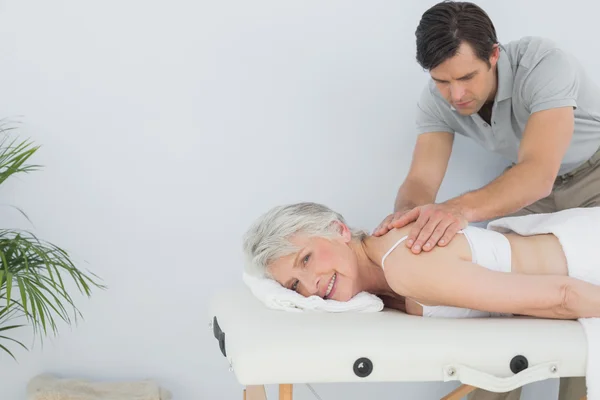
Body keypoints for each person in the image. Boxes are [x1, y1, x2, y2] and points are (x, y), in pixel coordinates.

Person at [371, 2, 600, 398]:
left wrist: (456, 210)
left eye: (466, 77)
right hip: (535, 187)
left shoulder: (545, 65)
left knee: (587, 301)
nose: (455, 94)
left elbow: (538, 172)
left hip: (589, 174)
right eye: (442, 81)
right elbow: (421, 179)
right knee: (502, 298)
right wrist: (406, 227)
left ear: (494, 55)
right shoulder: (436, 97)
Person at [243, 202, 600, 323]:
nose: (311, 288)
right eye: (294, 286)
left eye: (305, 259)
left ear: (339, 230)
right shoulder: (383, 280)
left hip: (587, 259)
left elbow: (564, 295)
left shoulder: (405, 266)